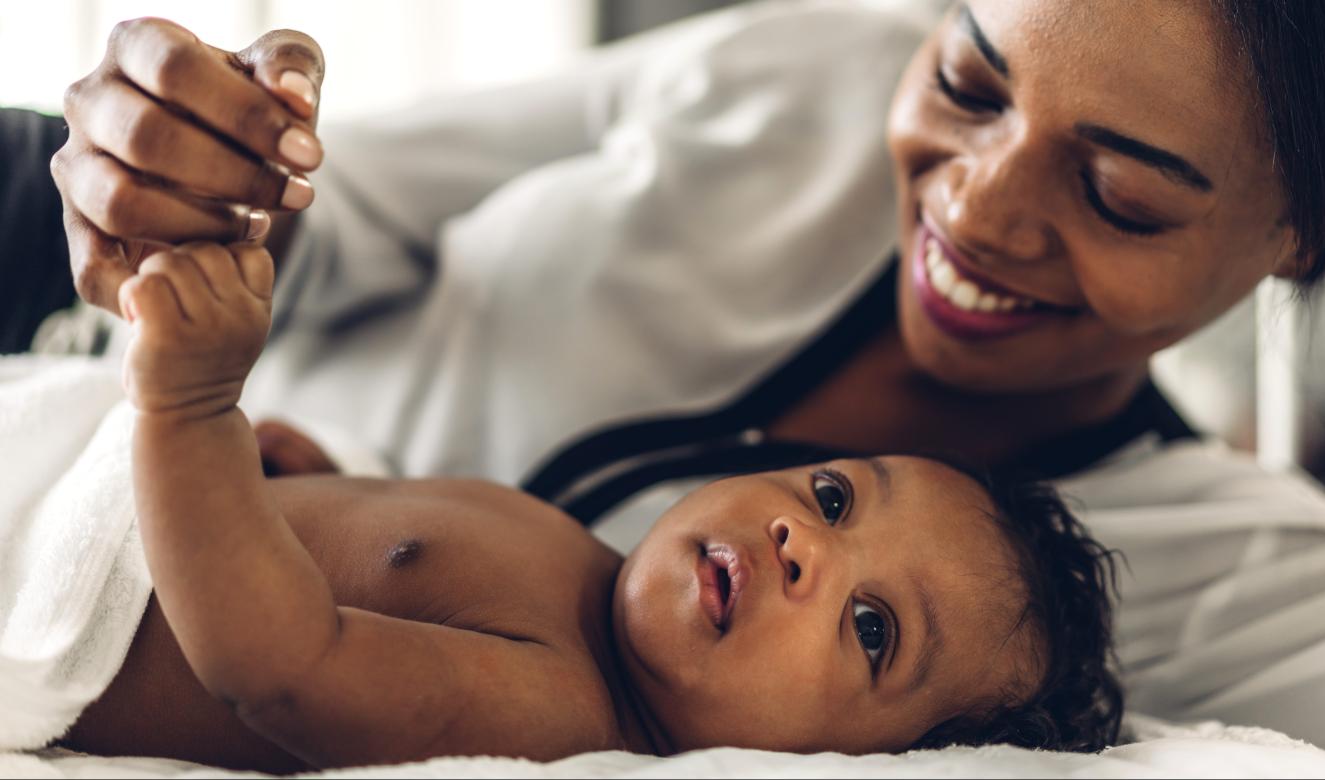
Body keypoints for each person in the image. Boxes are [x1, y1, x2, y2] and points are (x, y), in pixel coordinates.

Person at [9, 0, 1325, 759]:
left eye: (1120, 194)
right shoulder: (811, 72)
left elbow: (283, 661)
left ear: (1318, 232)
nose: (974, 210)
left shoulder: (1231, 576)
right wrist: (194, 165)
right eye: (972, 82)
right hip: (117, 328)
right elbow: (345, 220)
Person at [33, 242, 1121, 771]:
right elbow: (391, 556)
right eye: (835, 498)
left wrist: (191, 406)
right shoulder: (581, 564)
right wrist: (296, 477)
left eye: (872, 627)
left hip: (58, 581)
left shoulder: (555, 706)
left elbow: (280, 667)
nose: (803, 545)